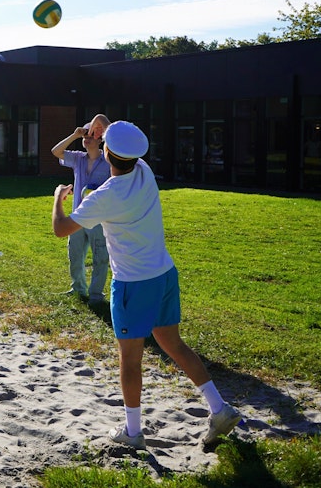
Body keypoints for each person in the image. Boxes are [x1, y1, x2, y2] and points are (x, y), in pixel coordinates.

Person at [51, 119, 241, 450]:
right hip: (164, 274)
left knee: (130, 361)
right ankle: (219, 409)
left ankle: (133, 431)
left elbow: (61, 229)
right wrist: (105, 125)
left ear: (107, 152)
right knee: (174, 344)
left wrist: (57, 199)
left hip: (132, 285)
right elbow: (124, 142)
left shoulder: (105, 196)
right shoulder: (144, 171)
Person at [51, 119, 112, 303]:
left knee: (100, 257)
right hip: (77, 217)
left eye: (91, 134)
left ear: (100, 138)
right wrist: (75, 135)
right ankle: (77, 288)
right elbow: (56, 152)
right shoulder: (77, 158)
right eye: (85, 134)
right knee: (75, 255)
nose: (87, 137)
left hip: (98, 219)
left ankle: (95, 295)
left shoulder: (108, 162)